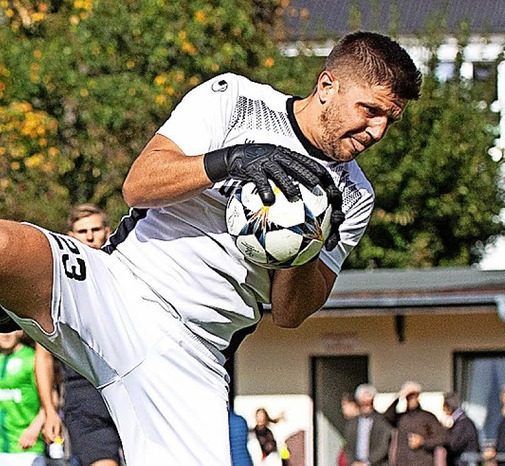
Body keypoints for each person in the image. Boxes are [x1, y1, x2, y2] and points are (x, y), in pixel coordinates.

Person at [0, 30, 422, 465]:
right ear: (327, 85)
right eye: (370, 111)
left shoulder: (353, 195)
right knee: (6, 246)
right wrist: (231, 159)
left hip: (195, 353)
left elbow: (291, 313)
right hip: (116, 288)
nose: (378, 131)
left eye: (390, 119)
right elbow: (138, 186)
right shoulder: (235, 99)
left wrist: (306, 245)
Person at [34, 204, 123, 466]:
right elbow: (44, 355)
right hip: (85, 398)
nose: (90, 236)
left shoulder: (125, 273)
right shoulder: (56, 285)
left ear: (108, 232)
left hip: (132, 389)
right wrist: (50, 411)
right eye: (82, 231)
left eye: (96, 229)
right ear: (70, 236)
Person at [0, 330, 46, 465]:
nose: (6, 334)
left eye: (10, 328)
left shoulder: (32, 358)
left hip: (26, 448)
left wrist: (36, 427)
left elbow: (52, 398)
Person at [383, 381, 448, 466]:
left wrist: (423, 442)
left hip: (422, 462)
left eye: (414, 396)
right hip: (402, 462)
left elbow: (442, 438)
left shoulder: (427, 417)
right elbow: (387, 416)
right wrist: (399, 396)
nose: (412, 399)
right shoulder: (401, 418)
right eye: (409, 397)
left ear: (418, 397)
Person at [344, 383, 393, 466]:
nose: (365, 406)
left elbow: (383, 446)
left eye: (368, 403)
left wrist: (366, 463)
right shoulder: (352, 423)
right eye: (363, 403)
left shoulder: (382, 421)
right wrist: (353, 462)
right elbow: (348, 446)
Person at [442, 392, 480, 466]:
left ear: (449, 407)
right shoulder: (463, 422)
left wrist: (444, 434)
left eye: (444, 406)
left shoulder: (462, 423)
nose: (443, 409)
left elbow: (453, 445)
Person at [338, 392, 361, 466]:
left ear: (353, 405)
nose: (343, 409)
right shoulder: (350, 424)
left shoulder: (361, 424)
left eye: (345, 405)